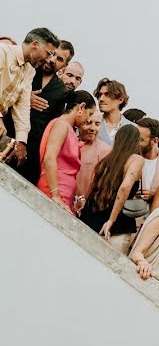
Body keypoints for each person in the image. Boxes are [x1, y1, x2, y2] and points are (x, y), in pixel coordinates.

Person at [0, 28, 60, 166]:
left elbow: (22, 107)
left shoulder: (30, 71)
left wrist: (21, 141)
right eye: (48, 53)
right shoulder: (2, 52)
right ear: (35, 44)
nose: (49, 59)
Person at [79, 125, 144, 253]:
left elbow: (94, 185)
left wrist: (84, 203)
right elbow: (125, 187)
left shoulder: (108, 160)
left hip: (92, 213)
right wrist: (111, 220)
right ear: (135, 142)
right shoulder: (136, 159)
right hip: (117, 224)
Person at [20, 38, 73, 185]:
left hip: (33, 154)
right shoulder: (28, 69)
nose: (52, 60)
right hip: (10, 135)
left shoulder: (61, 91)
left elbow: (52, 126)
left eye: (60, 59)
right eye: (52, 54)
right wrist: (25, 97)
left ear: (65, 65)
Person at [36, 90, 95, 213]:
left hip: (63, 193)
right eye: (90, 114)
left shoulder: (68, 129)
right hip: (54, 190)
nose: (89, 120)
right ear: (82, 107)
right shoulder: (61, 125)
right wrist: (56, 195)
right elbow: (49, 158)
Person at [74, 110, 111, 211]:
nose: (93, 128)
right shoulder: (69, 143)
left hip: (91, 208)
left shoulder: (106, 151)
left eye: (97, 124)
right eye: (88, 123)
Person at [93, 78, 133, 145]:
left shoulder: (133, 129)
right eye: (100, 95)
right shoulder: (90, 125)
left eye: (107, 95)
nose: (101, 99)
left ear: (120, 99)